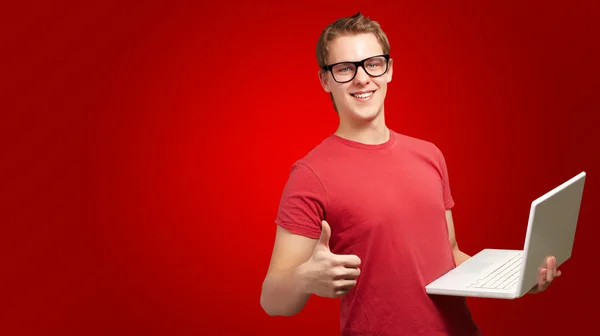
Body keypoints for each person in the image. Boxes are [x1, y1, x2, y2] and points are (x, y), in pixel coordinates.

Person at [259, 12, 561, 336]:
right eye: (345, 69)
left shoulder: (429, 155)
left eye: (372, 63)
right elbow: (272, 299)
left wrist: (518, 278)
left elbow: (451, 254)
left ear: (388, 70)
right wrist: (305, 278)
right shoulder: (310, 173)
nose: (362, 78)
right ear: (325, 80)